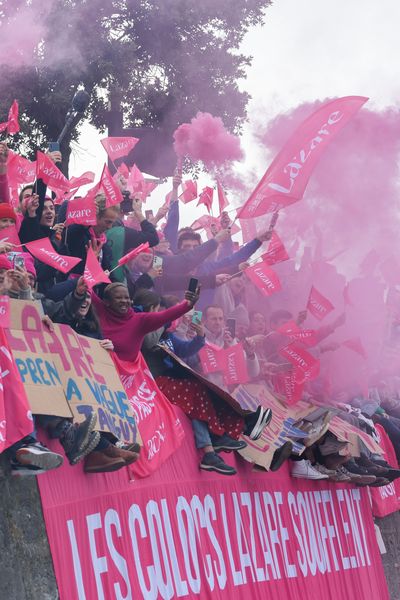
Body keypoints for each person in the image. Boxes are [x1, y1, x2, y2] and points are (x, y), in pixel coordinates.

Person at [138, 292, 272, 476]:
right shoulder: (147, 328)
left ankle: (238, 429)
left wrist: (199, 338)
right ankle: (235, 430)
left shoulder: (167, 334)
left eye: (221, 318)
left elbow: (184, 350)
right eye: (160, 311)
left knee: (205, 390)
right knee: (199, 390)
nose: (218, 322)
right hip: (153, 383)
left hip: (179, 381)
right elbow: (150, 342)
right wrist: (168, 321)